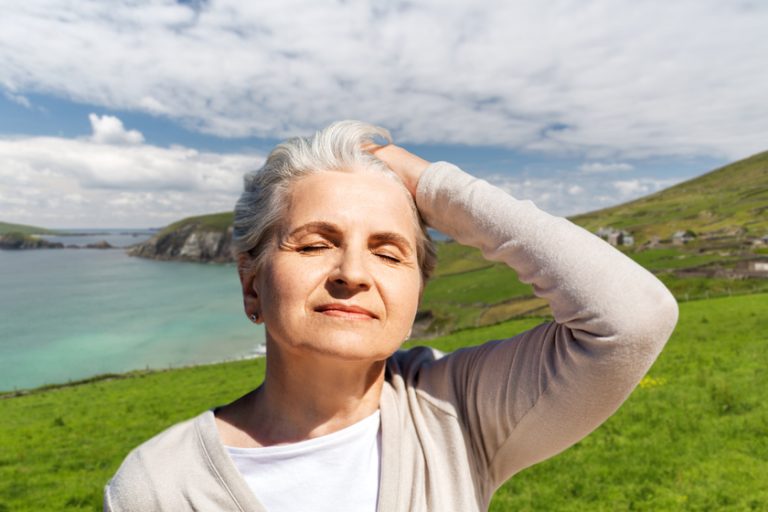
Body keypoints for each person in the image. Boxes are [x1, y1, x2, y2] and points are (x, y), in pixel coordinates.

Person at [104, 121, 678, 511]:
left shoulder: (457, 413)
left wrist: (429, 182)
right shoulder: (159, 484)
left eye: (388, 252)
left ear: (416, 294)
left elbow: (632, 317)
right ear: (252, 284)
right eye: (313, 244)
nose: (353, 272)